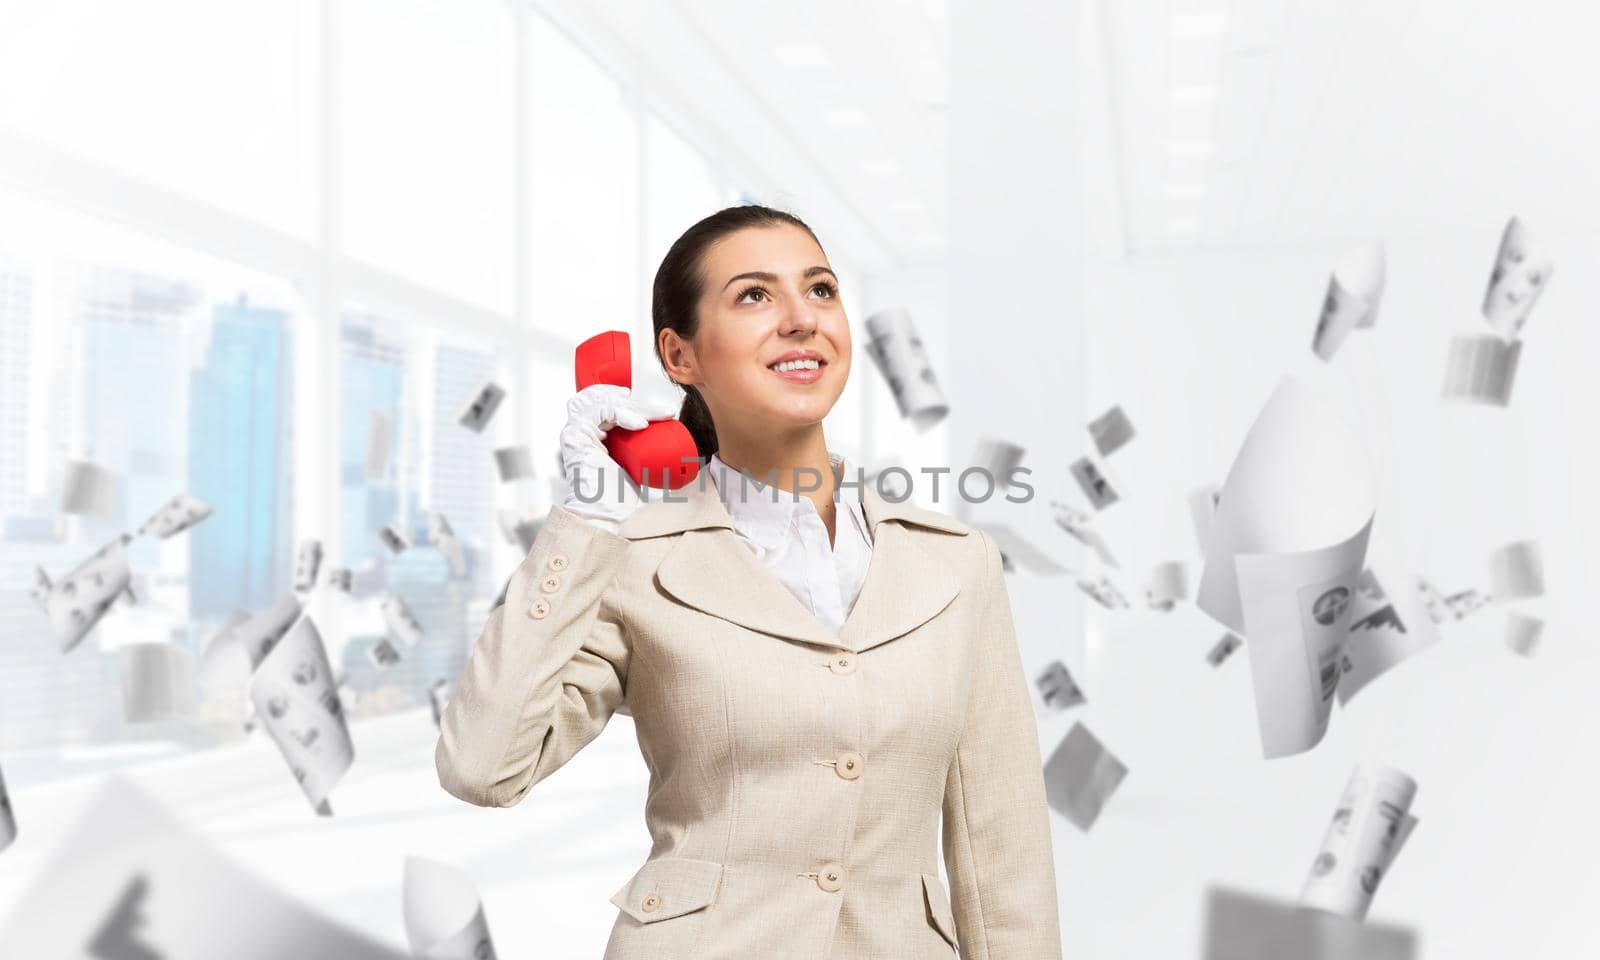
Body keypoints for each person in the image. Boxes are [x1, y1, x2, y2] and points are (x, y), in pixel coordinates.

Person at [435, 204, 1061, 959]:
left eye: (821, 290)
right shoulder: (631, 561)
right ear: (680, 356)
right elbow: (483, 767)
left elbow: (1004, 850)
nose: (801, 318)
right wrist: (584, 519)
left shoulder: (955, 562)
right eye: (755, 296)